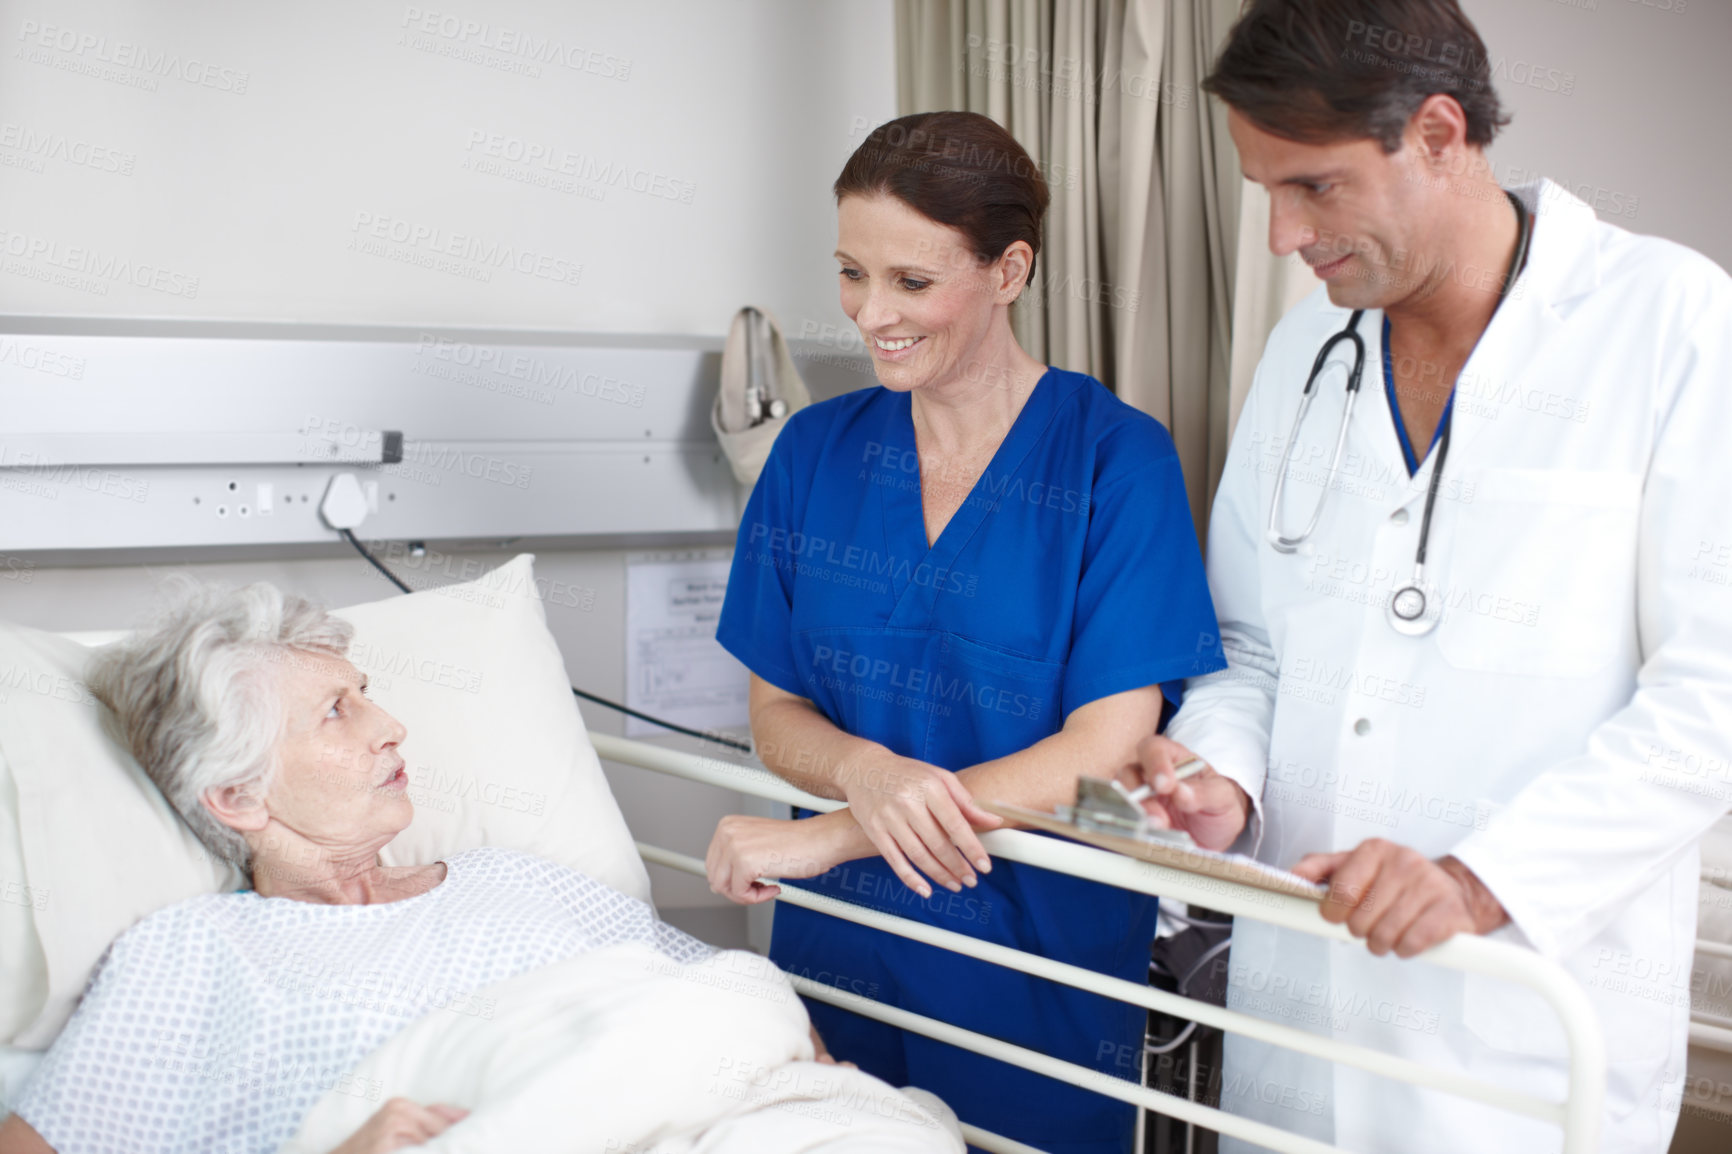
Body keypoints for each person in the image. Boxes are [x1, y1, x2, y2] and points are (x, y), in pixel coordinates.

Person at [1129, 2, 1732, 1152]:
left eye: (1312, 187)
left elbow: (1713, 692)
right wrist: (1223, 777)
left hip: (1523, 1035)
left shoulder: (1668, 321)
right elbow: (1252, 642)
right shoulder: (1308, 350)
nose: (1278, 235)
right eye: (1263, 190)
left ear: (1439, 131)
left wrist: (1477, 877)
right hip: (1298, 1018)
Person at [705, 110, 1225, 1154]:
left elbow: (1106, 750)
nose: (869, 313)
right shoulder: (812, 453)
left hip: (1038, 970)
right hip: (841, 951)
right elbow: (776, 708)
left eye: (910, 281)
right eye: (852, 272)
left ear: (1009, 269)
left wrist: (838, 826)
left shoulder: (1113, 461)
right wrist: (861, 765)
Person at [0, 580, 848, 1154]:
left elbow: (727, 1009)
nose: (391, 725)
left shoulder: (523, 878)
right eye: (338, 711)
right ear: (237, 796)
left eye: (366, 692)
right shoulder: (193, 955)